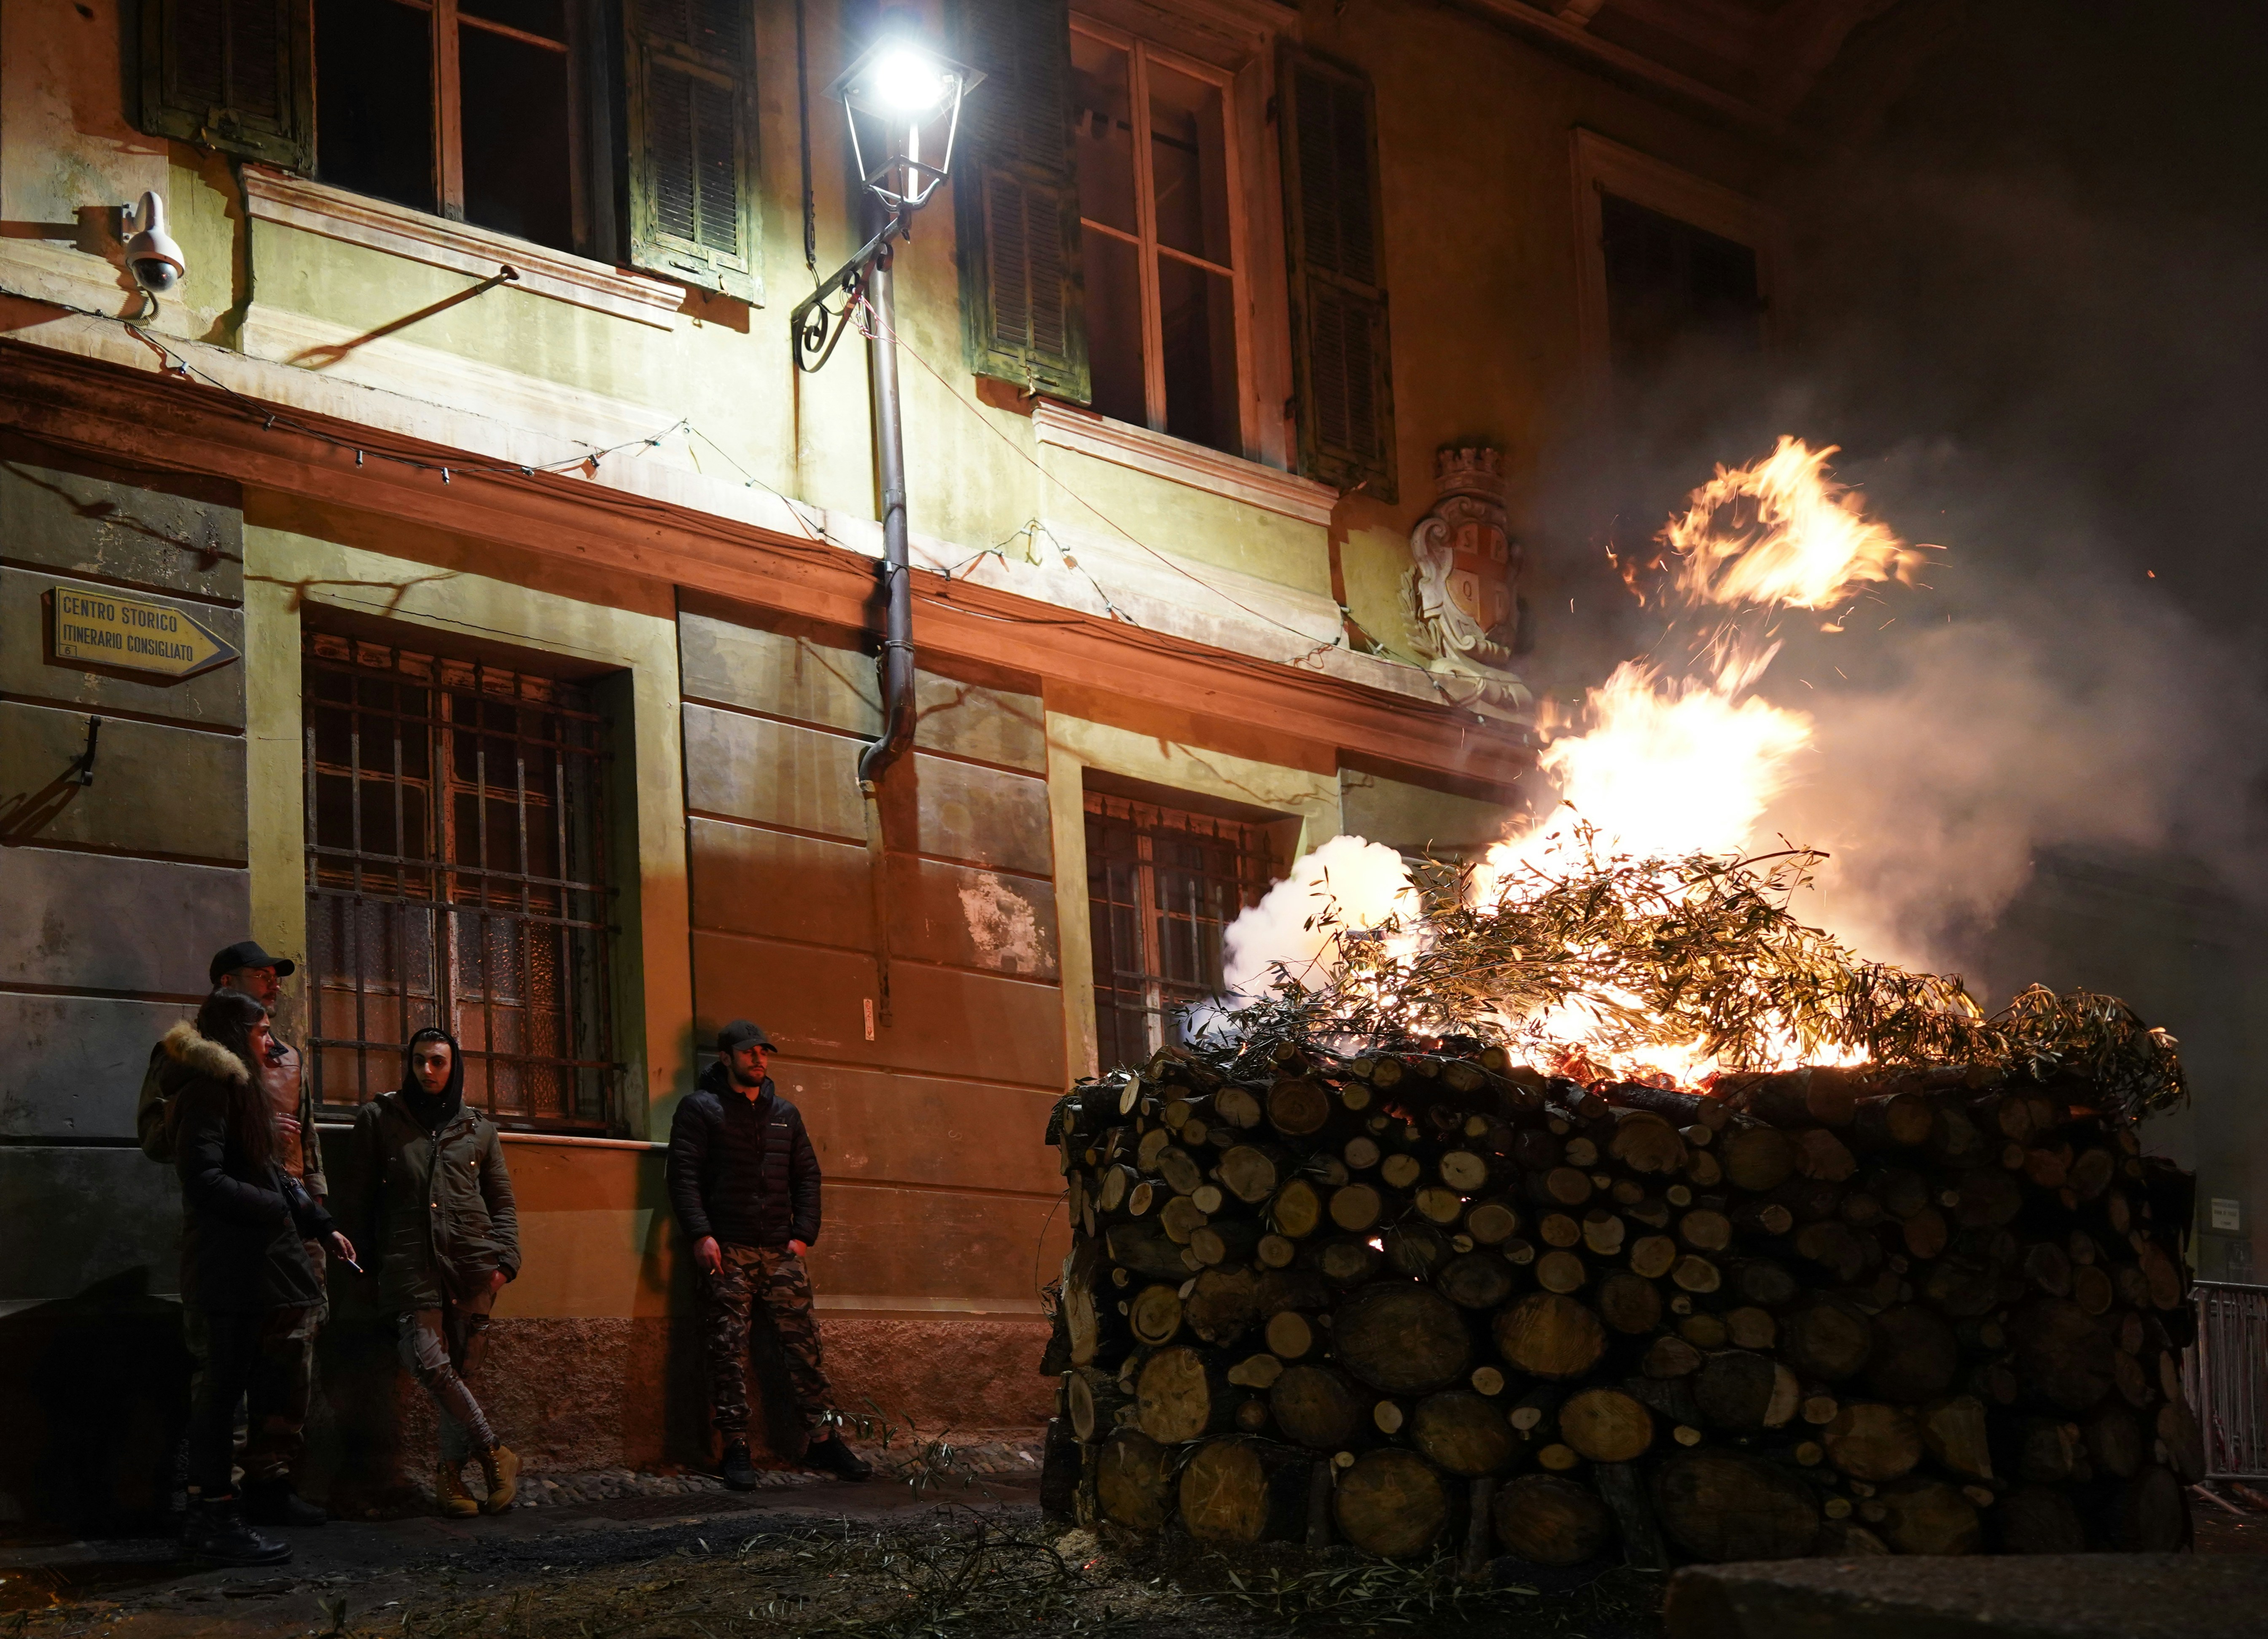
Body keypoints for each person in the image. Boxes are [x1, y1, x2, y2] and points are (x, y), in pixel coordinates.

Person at [137, 940, 330, 1528]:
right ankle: (222, 1495)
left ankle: (271, 1481)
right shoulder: (186, 1057)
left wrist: (317, 1209)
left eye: (276, 976)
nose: (274, 984)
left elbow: (307, 1140)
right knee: (225, 1369)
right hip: (236, 1228)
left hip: (289, 1227)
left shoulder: (286, 1057)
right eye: (261, 974)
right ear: (227, 982)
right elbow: (158, 1139)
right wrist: (235, 1132)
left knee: (289, 1359)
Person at [169, 989, 354, 1566]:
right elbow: (204, 1178)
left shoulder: (238, 1089)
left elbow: (273, 1168)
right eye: (262, 1031)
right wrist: (274, 1209)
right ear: (235, 1033)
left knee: (232, 1390)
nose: (271, 1042)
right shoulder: (207, 1090)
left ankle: (215, 1516)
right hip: (227, 1268)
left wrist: (321, 1223)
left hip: (250, 1267)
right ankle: (213, 1518)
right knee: (221, 1395)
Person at [667, 1020, 870, 1488]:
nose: (758, 1058)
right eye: (748, 1052)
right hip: (728, 1249)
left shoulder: (785, 1114)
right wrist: (701, 1234)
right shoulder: (701, 1109)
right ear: (725, 1057)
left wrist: (802, 1236)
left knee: (805, 1348)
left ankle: (823, 1441)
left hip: (781, 1250)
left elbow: (808, 1176)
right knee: (726, 1349)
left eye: (763, 1051)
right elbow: (683, 1175)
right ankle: (735, 1446)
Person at [347, 1027, 523, 1517]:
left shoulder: (477, 1128)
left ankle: (451, 1479)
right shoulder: (380, 1119)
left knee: (459, 1372)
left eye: (438, 1061)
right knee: (428, 1360)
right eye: (420, 1060)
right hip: (409, 1265)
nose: (427, 1070)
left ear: (454, 1066)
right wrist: (362, 1267)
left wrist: (505, 1264)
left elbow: (502, 1201)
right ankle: (494, 1451)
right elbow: (358, 1199)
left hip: (471, 1265)